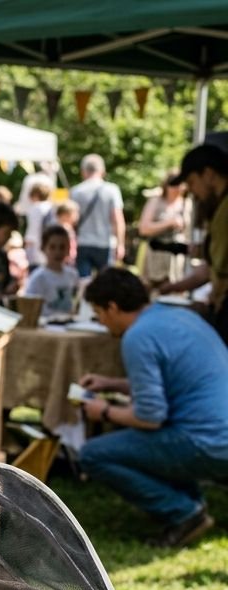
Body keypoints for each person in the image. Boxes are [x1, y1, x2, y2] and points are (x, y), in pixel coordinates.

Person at [78, 268, 228, 548]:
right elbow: (172, 382)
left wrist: (104, 411)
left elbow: (150, 417)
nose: (101, 322)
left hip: (208, 443)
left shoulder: (138, 336)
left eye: (98, 313)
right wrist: (111, 384)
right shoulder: (177, 316)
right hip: (218, 433)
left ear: (112, 307)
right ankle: (191, 502)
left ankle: (184, 513)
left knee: (93, 454)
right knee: (157, 440)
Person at [160, 144, 228, 343]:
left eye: (191, 182)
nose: (191, 190)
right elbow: (212, 267)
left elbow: (220, 269)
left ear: (208, 174)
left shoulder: (224, 211)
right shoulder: (220, 208)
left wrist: (214, 301)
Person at [70, 154, 125, 277]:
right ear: (102, 171)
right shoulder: (112, 190)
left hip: (83, 243)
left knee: (84, 282)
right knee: (106, 281)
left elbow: (71, 221)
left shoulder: (76, 191)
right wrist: (120, 244)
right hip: (105, 244)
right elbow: (117, 219)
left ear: (83, 171)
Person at [138, 173, 188, 290]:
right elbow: (144, 229)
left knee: (176, 288)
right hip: (157, 255)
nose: (177, 188)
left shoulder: (186, 203)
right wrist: (169, 223)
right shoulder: (156, 201)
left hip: (177, 257)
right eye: (174, 185)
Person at [25, 225, 80, 316]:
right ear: (43, 248)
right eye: (52, 247)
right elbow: (30, 306)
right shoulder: (38, 277)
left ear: (68, 248)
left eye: (62, 247)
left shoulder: (73, 275)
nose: (57, 252)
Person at [23, 179, 53, 270]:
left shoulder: (36, 208)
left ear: (35, 195)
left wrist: (26, 246)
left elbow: (32, 231)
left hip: (37, 250)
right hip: (49, 249)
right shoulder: (51, 207)